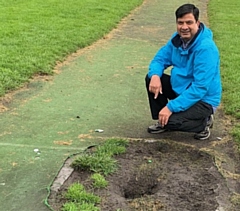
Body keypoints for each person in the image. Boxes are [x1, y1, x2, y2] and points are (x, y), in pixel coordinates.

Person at [145, 3, 222, 140]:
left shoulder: (206, 49)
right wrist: (155, 75)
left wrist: (170, 107)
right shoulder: (177, 40)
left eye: (189, 22)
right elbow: (159, 59)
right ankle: (162, 121)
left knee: (172, 121)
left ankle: (203, 123)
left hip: (203, 100)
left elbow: (200, 88)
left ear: (197, 23)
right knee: (151, 78)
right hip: (182, 89)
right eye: (180, 23)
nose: (184, 27)